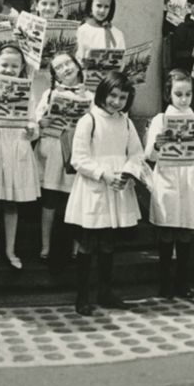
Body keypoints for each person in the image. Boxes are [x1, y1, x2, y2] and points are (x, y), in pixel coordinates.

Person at [64, 72, 145, 315]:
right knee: (88, 243)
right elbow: (79, 159)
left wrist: (128, 172)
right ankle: (82, 296)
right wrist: (103, 174)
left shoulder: (126, 123)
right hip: (94, 188)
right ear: (103, 93)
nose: (116, 102)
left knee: (109, 243)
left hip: (117, 189)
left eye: (122, 98)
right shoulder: (89, 120)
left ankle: (105, 292)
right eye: (113, 95)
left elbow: (136, 153)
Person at [144, 70, 194, 299]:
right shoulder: (161, 119)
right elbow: (149, 155)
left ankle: (182, 282)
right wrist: (157, 144)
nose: (183, 99)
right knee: (167, 228)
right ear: (168, 94)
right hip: (169, 176)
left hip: (190, 176)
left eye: (188, 94)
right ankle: (165, 283)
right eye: (178, 94)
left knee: (185, 230)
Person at [0, 45, 40, 270]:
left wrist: (32, 130)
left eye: (14, 66)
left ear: (22, 67)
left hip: (16, 147)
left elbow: (33, 120)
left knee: (12, 202)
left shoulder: (28, 91)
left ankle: (10, 249)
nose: (9, 70)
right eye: (4, 65)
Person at [33, 51, 90, 267]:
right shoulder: (49, 93)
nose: (65, 69)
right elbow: (37, 118)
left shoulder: (90, 95)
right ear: (54, 75)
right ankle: (45, 245)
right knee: (50, 198)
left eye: (68, 63)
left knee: (73, 199)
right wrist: (42, 121)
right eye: (58, 67)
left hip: (75, 151)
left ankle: (75, 244)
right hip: (53, 149)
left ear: (77, 65)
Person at [74, 0, 124, 64]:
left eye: (106, 7)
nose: (102, 10)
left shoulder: (118, 33)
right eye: (99, 5)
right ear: (91, 6)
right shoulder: (82, 30)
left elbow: (121, 60)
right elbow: (78, 58)